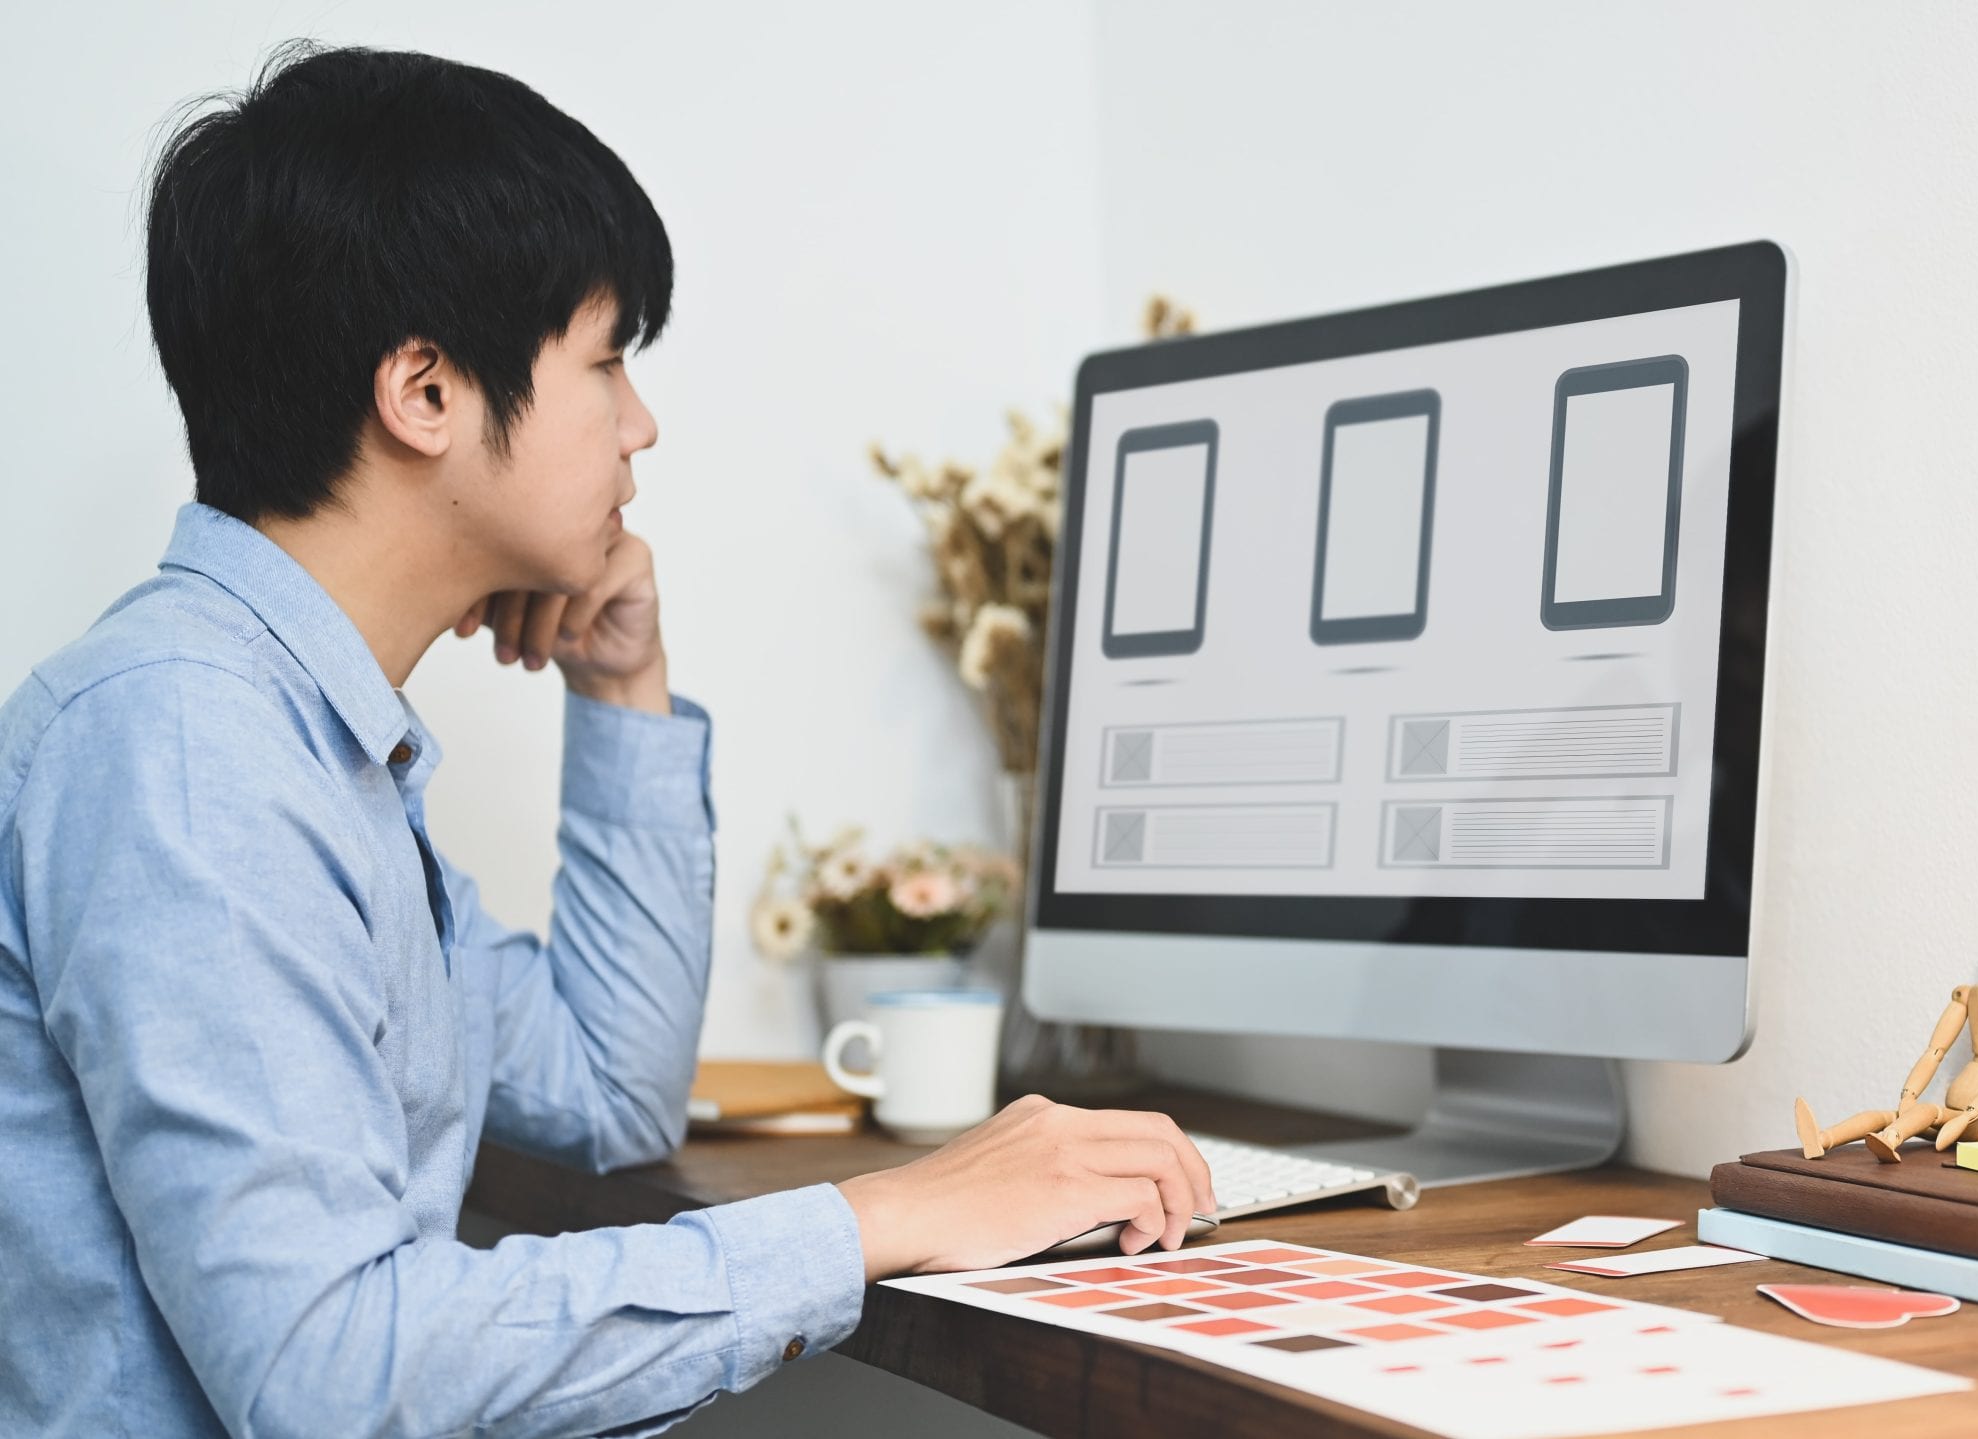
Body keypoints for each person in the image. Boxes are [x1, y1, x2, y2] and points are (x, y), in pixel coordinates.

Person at [0, 43, 1211, 1438]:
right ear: (427, 392)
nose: (642, 425)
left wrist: (621, 685)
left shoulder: (306, 749)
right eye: (607, 358)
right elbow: (329, 1374)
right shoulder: (190, 749)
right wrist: (886, 1214)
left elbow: (609, 1098)